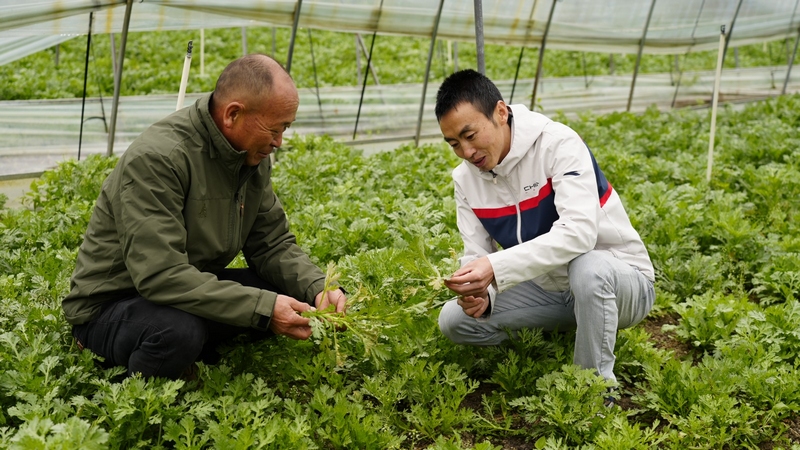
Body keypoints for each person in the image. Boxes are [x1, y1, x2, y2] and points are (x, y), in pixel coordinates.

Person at [62, 54, 346, 380]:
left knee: (291, 295)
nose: (279, 142)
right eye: (274, 128)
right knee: (178, 331)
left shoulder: (249, 157)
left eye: (285, 128)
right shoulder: (158, 159)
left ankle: (192, 351)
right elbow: (160, 276)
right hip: (114, 305)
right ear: (233, 114)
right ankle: (135, 383)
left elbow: (272, 244)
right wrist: (263, 309)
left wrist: (317, 288)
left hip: (185, 289)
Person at [435, 69, 654, 385]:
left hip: (622, 285)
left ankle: (592, 386)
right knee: (454, 320)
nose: (466, 153)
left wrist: (494, 268)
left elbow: (579, 234)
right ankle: (584, 325)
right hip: (550, 291)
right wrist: (481, 293)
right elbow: (476, 253)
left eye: (470, 136)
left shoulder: (558, 144)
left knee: (589, 268)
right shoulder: (465, 180)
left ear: (500, 112)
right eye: (454, 144)